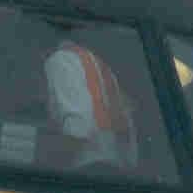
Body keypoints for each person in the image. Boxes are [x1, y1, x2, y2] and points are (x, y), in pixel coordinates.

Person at [43, 38, 138, 171]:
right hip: (117, 166)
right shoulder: (98, 63)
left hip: (89, 166)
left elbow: (78, 128)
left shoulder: (60, 61)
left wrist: (48, 166)